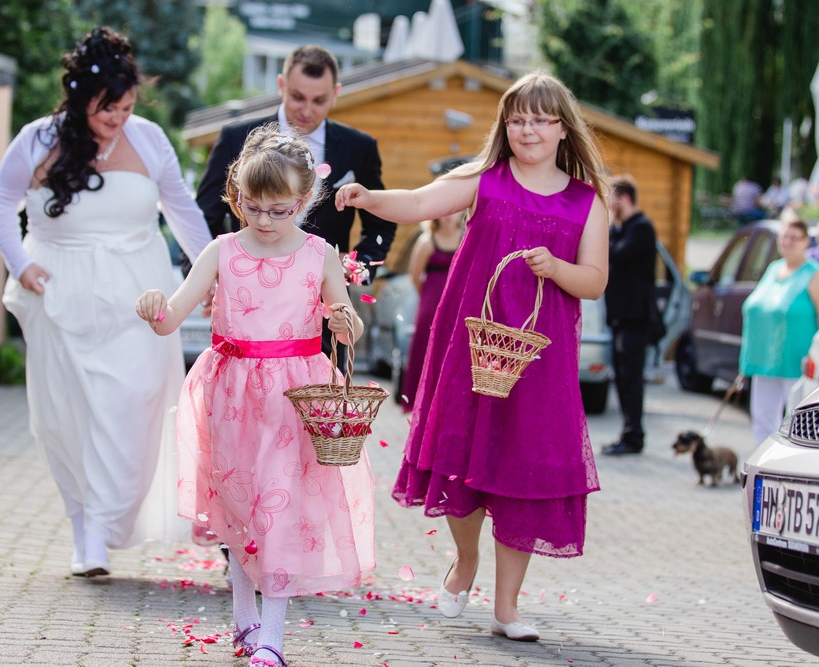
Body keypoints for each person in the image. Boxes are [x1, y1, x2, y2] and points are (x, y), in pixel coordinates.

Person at [335, 71, 608, 641]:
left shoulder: (587, 203)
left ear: (563, 129)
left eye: (540, 120)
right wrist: (369, 198)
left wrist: (558, 269)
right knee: (460, 453)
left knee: (522, 470)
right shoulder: (487, 179)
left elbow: (595, 281)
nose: (527, 129)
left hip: (541, 358)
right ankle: (465, 559)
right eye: (517, 119)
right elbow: (418, 202)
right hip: (471, 345)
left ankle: (507, 609)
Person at [136, 125, 375, 667]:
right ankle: (244, 616)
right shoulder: (222, 251)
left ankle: (272, 637)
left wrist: (345, 323)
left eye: (279, 211)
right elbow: (170, 317)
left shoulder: (319, 254)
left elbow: (348, 326)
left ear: (305, 199)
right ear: (236, 195)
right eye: (252, 207)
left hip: (294, 399)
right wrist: (153, 307)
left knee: (280, 513)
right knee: (240, 508)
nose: (264, 221)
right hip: (231, 395)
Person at [0, 27, 212, 577]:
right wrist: (21, 264)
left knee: (134, 401)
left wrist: (212, 275)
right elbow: (0, 204)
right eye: (107, 107)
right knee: (70, 415)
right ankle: (86, 533)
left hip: (139, 296)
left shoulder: (149, 139)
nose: (118, 118)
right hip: (60, 294)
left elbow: (182, 211)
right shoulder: (37, 140)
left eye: (127, 107)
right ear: (79, 95)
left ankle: (111, 516)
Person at [192, 44, 395, 354]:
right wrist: (207, 279)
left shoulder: (359, 147)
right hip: (248, 307)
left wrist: (357, 268)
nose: (307, 110)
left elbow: (381, 223)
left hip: (323, 313)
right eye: (298, 97)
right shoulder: (236, 138)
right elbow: (203, 218)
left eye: (319, 100)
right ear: (281, 85)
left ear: (335, 93)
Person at [740, 214, 819, 445]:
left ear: (806, 242)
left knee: (796, 422)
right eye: (785, 237)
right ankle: (764, 460)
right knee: (762, 419)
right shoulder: (773, 268)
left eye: (795, 238)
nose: (788, 242)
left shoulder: (813, 273)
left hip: (798, 362)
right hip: (764, 359)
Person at [601, 175, 658, 456]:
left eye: (612, 200)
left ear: (624, 198)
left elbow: (613, 254)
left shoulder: (642, 228)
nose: (610, 205)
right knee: (622, 379)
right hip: (621, 318)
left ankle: (634, 436)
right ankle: (628, 433)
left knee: (631, 378)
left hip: (636, 318)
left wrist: (610, 222)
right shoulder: (625, 229)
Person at [400, 211, 465, 412]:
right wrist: (429, 297)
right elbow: (414, 275)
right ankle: (421, 401)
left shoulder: (465, 238)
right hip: (431, 305)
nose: (449, 216)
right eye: (445, 212)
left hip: (458, 305)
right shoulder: (426, 241)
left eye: (453, 211)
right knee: (425, 348)